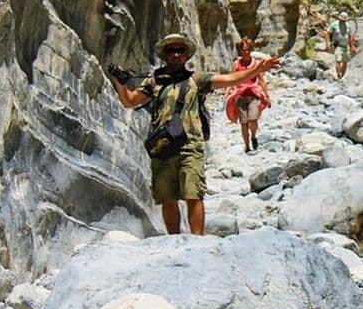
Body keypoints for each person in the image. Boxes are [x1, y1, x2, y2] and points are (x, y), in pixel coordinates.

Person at [109, 33, 279, 236]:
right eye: (171, 50)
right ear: (165, 55)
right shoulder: (153, 81)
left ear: (186, 55)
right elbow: (129, 101)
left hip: (191, 144)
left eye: (180, 50)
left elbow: (230, 79)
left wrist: (257, 70)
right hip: (162, 145)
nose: (176, 54)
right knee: (168, 198)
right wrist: (119, 82)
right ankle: (174, 240)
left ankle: (198, 241)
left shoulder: (198, 79)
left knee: (194, 195)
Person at [225, 37, 271, 153]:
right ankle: (247, 146)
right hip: (240, 96)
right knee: (243, 123)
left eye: (248, 49)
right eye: (244, 49)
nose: (246, 51)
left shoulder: (256, 63)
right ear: (241, 50)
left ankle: (253, 136)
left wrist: (267, 96)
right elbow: (231, 79)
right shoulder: (236, 64)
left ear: (251, 49)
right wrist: (227, 92)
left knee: (253, 119)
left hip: (253, 95)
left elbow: (261, 80)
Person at [322, 11, 357, 79]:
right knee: (338, 60)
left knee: (345, 62)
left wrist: (352, 46)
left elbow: (350, 36)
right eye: (341, 19)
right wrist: (327, 43)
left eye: (344, 20)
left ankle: (341, 76)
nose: (343, 20)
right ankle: (338, 74)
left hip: (346, 46)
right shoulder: (334, 24)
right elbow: (327, 33)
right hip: (337, 45)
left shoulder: (348, 25)